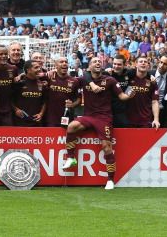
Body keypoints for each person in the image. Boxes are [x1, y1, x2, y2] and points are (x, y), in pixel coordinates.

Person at [62, 57, 134, 190]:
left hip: (104, 118)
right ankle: (71, 157)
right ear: (89, 67)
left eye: (99, 62)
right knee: (71, 127)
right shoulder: (84, 79)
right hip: (88, 116)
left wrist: (130, 95)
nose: (97, 63)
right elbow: (72, 82)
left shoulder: (110, 80)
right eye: (94, 62)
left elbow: (122, 96)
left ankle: (110, 180)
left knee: (106, 147)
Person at [42, 57, 81, 127]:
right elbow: (33, 74)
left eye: (66, 62)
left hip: (67, 118)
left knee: (65, 137)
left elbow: (79, 100)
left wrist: (72, 105)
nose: (64, 64)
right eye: (61, 62)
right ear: (56, 66)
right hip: (50, 119)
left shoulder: (74, 81)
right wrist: (21, 75)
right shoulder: (49, 77)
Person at [125, 56, 160, 128]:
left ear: (148, 65)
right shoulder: (128, 79)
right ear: (136, 64)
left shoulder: (152, 82)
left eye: (145, 62)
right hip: (128, 120)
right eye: (141, 62)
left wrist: (156, 119)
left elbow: (155, 102)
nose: (143, 63)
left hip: (145, 120)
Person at [12, 60, 45, 127]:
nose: (39, 69)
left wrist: (41, 113)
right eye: (36, 67)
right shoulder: (19, 82)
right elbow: (9, 99)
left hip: (36, 122)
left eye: (39, 67)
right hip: (20, 121)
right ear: (28, 70)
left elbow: (44, 101)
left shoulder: (42, 83)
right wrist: (16, 109)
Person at [151, 55, 167, 127]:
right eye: (161, 62)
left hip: (164, 112)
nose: (161, 65)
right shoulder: (149, 74)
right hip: (148, 110)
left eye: (165, 64)